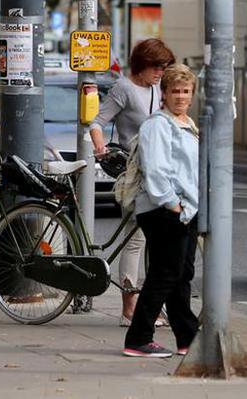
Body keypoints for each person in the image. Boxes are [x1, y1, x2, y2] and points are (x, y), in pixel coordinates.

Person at [88, 38, 175, 327]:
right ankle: (129, 307)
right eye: (156, 66)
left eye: (164, 67)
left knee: (155, 238)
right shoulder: (124, 88)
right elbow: (97, 121)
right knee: (134, 237)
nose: (161, 72)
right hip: (134, 171)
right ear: (142, 63)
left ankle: (149, 303)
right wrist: (100, 148)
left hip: (157, 170)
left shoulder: (155, 89)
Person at [123, 64, 200, 358]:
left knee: (181, 274)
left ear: (192, 95)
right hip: (163, 208)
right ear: (164, 93)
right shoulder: (157, 125)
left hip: (185, 209)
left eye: (185, 91)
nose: (180, 96)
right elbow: (156, 170)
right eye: (174, 91)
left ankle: (187, 338)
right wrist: (173, 204)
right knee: (165, 273)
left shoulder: (186, 123)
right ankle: (138, 338)